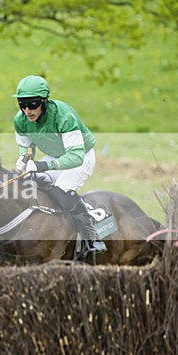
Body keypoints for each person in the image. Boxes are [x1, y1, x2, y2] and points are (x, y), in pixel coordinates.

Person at [11, 75, 107, 256]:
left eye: (32, 105)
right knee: (34, 184)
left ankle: (91, 236)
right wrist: (24, 158)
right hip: (56, 156)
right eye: (22, 105)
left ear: (44, 101)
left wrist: (41, 165)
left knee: (61, 191)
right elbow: (28, 147)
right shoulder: (20, 120)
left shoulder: (64, 116)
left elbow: (76, 157)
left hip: (81, 157)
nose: (27, 110)